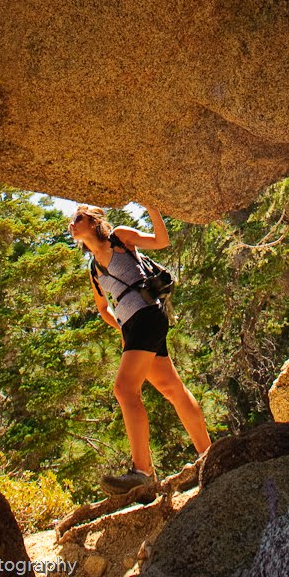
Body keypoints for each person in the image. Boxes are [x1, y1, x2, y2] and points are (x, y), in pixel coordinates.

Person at [70, 203, 211, 494]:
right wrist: (122, 330)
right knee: (173, 390)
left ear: (94, 222)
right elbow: (102, 308)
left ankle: (143, 471)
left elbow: (162, 241)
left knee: (124, 389)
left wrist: (152, 207)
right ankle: (210, 456)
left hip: (148, 315)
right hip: (133, 327)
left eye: (78, 218)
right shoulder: (94, 269)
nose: (72, 222)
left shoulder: (120, 238)